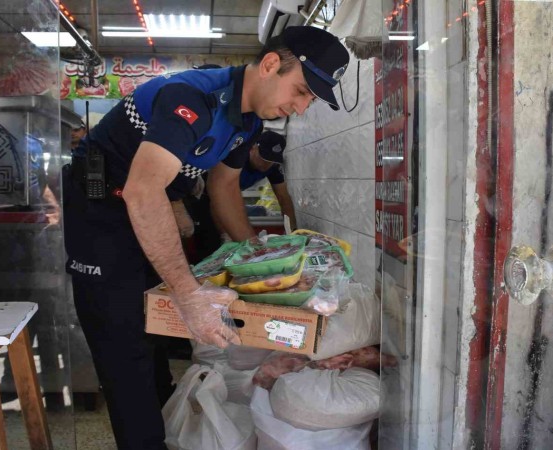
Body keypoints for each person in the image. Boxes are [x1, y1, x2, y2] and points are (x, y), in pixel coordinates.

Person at [62, 26, 349, 449]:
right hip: (102, 214)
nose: (301, 108)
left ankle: (163, 433)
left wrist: (262, 261)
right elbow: (143, 190)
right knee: (123, 346)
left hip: (148, 209)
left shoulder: (248, 120)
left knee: (153, 333)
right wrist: (190, 294)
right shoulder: (192, 97)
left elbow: (224, 188)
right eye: (302, 91)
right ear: (271, 65)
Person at [185, 130, 296, 262]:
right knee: (210, 242)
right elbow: (218, 197)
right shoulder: (237, 156)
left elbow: (284, 198)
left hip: (225, 195)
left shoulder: (272, 168)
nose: (266, 165)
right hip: (200, 193)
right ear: (253, 148)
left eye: (271, 161)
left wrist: (291, 231)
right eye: (264, 158)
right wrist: (225, 235)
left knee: (240, 245)